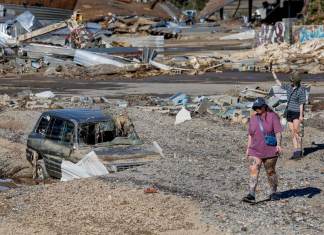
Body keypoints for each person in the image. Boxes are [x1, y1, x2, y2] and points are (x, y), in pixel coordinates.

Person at [243, 97, 283, 203]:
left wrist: (278, 145)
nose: (257, 109)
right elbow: (250, 135)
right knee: (253, 170)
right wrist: (248, 148)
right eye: (255, 107)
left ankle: (273, 192)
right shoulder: (253, 118)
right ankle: (251, 194)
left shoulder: (273, 117)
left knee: (270, 171)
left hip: (270, 150)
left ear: (264, 106)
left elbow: (278, 132)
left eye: (259, 107)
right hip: (255, 149)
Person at [273, 72, 306, 159]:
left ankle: (299, 150)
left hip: (297, 112)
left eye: (292, 80)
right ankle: (295, 151)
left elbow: (301, 103)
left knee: (296, 131)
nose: (290, 81)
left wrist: (301, 115)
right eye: (290, 80)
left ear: (296, 81)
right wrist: (274, 74)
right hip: (289, 112)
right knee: (292, 132)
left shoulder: (301, 90)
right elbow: (279, 84)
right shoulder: (288, 86)